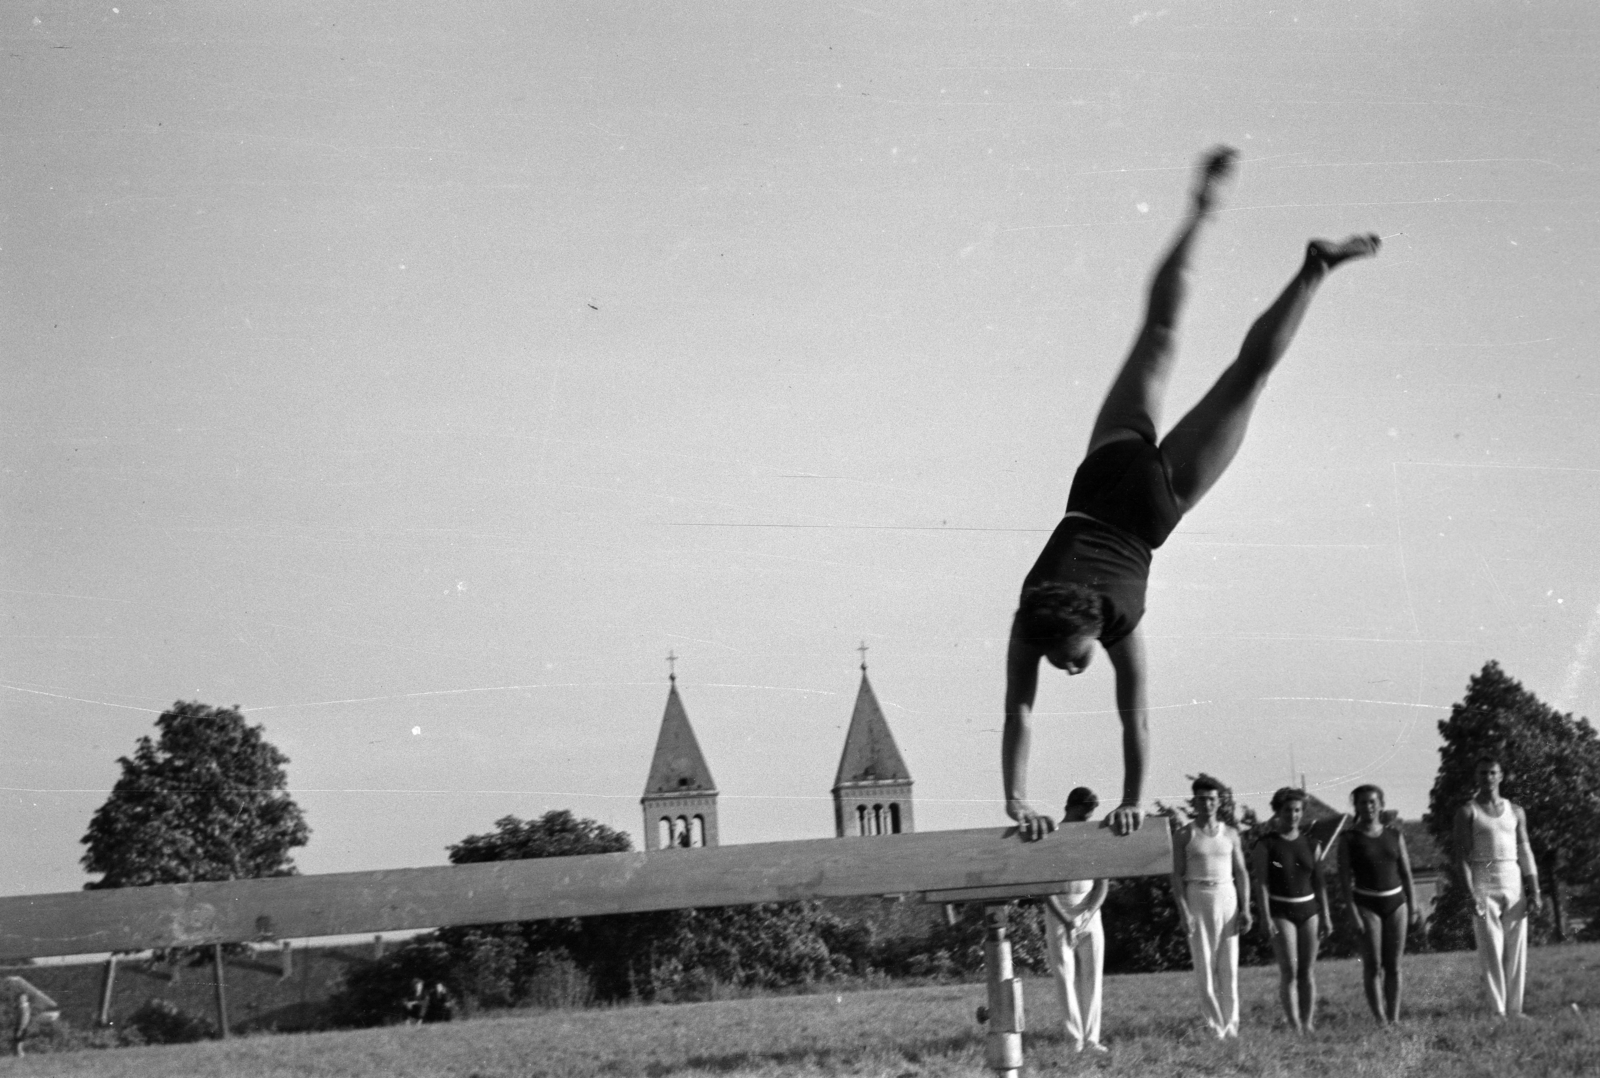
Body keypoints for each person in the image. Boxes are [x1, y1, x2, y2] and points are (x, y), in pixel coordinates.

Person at [1003, 147, 1381, 841]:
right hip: (1102, 474)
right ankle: (1203, 214)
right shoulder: (1033, 615)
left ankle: (1314, 270)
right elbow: (1029, 710)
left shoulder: (1115, 619)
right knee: (1160, 336)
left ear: (1087, 629)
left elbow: (1122, 715)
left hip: (1152, 506)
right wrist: (1027, 797)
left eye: (1066, 658)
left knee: (1246, 381)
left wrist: (1112, 798)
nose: (1063, 669)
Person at [1453, 755, 1542, 1018]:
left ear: (1501, 776)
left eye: (1492, 773)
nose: (1487, 778)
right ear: (1476, 777)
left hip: (1512, 877)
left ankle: (1516, 1010)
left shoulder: (1516, 811)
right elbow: (1460, 857)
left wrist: (1534, 890)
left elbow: (1525, 850)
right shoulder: (1468, 811)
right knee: (1491, 947)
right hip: (1483, 878)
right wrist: (1470, 893)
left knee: (1516, 946)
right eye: (1482, 773)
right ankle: (1498, 1010)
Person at [1170, 776, 1252, 1039]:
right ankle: (1215, 1026)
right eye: (1202, 799)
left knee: (1228, 965)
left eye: (1212, 799)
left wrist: (1246, 908)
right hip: (1198, 895)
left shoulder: (1230, 833)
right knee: (1205, 966)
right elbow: (1176, 876)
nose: (1208, 804)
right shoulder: (1185, 834)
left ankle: (1231, 1025)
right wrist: (1183, 910)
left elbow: (1241, 872)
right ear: (1195, 801)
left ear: (1219, 802)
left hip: (1227, 895)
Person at [1336, 784, 1420, 1024]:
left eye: (1373, 802)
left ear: (1381, 804)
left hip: (1396, 903)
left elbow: (1406, 872)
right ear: (1356, 806)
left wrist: (1413, 905)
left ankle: (1394, 1018)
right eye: (1362, 802)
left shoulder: (1394, 834)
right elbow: (1343, 879)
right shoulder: (1349, 838)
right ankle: (1380, 1019)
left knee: (1394, 965)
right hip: (1366, 905)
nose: (1368, 807)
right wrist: (1351, 910)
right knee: (1373, 965)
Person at [1251, 787, 1330, 1033]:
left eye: (1297, 810)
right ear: (1277, 812)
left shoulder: (1311, 844)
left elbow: (1320, 883)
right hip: (1281, 912)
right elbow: (1261, 883)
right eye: (1287, 810)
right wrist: (1265, 917)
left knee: (1307, 971)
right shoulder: (1266, 845)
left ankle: (1307, 1022)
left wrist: (1326, 915)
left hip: (1309, 911)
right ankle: (1294, 1024)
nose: (1293, 815)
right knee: (1290, 971)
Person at [1041, 787, 1110, 1053]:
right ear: (1069, 808)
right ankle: (1074, 1040)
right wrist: (1066, 919)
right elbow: (1044, 888)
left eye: (1089, 817)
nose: (1086, 821)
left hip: (1089, 909)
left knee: (1092, 976)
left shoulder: (1093, 839)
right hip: (1060, 909)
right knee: (1064, 975)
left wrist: (1089, 912)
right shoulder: (1051, 838)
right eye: (1082, 815)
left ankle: (1092, 1039)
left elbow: (1103, 882)